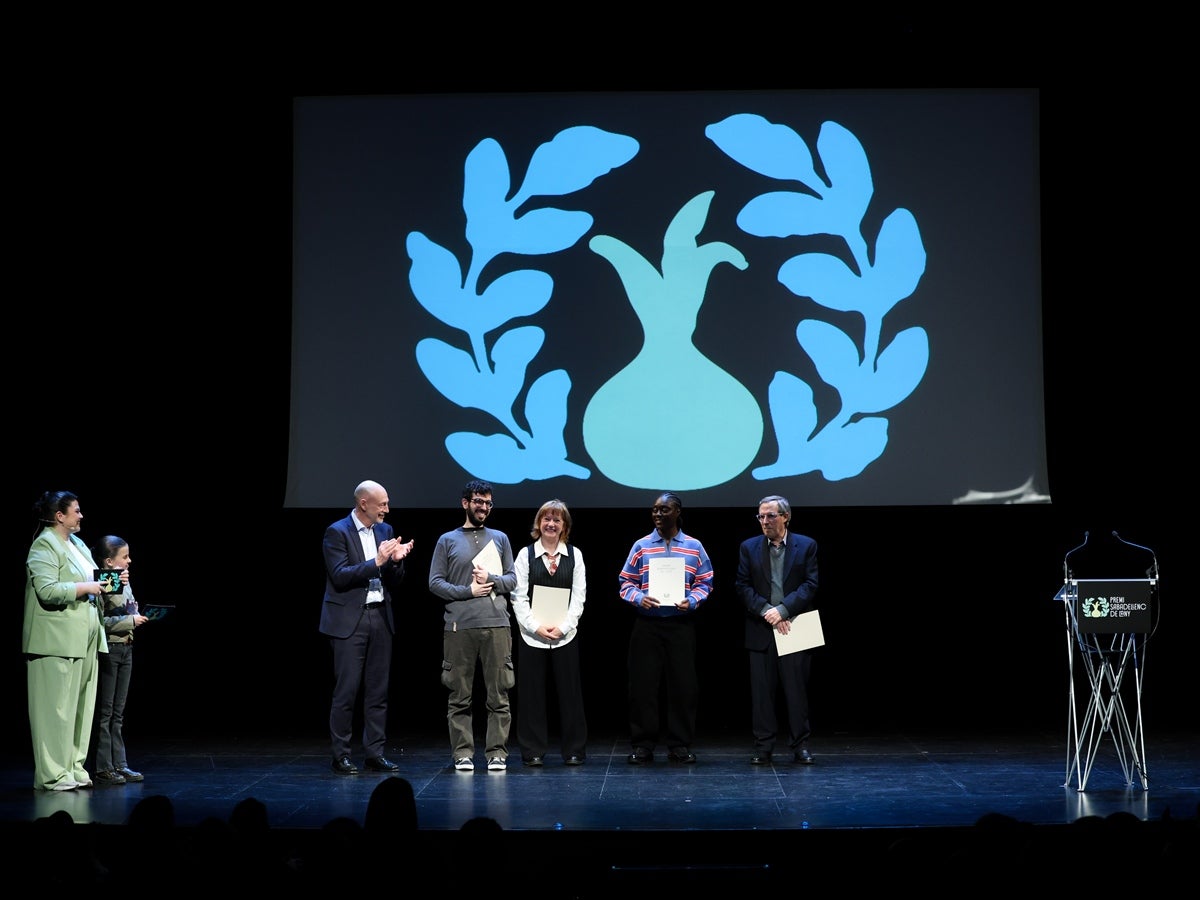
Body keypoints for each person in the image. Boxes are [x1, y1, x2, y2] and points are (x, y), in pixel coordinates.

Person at [319, 480, 414, 775]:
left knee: (378, 691)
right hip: (350, 620)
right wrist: (378, 561)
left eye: (386, 503)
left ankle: (374, 752)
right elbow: (340, 576)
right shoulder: (337, 532)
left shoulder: (385, 531)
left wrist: (396, 562)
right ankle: (341, 755)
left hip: (380, 617)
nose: (387, 509)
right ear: (364, 504)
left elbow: (394, 581)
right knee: (346, 691)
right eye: (382, 504)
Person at [23, 490, 110, 792]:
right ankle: (52, 774)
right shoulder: (43, 545)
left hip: (84, 636)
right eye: (76, 511)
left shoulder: (78, 544)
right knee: (54, 710)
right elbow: (47, 590)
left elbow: (91, 578)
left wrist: (110, 579)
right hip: (55, 640)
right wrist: (86, 586)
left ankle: (73, 766)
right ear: (59, 516)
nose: (81, 515)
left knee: (80, 707)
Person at [618, 491, 714, 765]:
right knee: (642, 687)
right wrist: (639, 597)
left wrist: (693, 600)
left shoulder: (694, 546)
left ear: (678, 513)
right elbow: (626, 582)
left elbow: (705, 581)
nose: (658, 514)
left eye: (664, 510)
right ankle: (643, 745)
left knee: (684, 687)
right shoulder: (642, 546)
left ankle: (679, 744)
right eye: (655, 510)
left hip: (680, 624)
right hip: (647, 624)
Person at [428, 479, 517, 772]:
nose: (484, 508)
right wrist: (468, 591)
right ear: (465, 503)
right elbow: (435, 583)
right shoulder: (447, 540)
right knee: (459, 694)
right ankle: (463, 752)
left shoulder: (500, 538)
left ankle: (497, 753)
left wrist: (490, 577)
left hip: (496, 625)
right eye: (479, 501)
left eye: (488, 503)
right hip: (459, 626)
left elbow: (513, 580)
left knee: (499, 693)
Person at [734, 494, 818, 765]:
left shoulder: (806, 545)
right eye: (761, 516)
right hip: (761, 625)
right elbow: (742, 586)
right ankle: (764, 747)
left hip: (797, 624)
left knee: (797, 691)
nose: (765, 521)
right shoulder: (748, 547)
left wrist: (782, 610)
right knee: (762, 693)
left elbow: (810, 585)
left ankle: (800, 746)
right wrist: (767, 612)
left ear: (786, 516)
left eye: (770, 515)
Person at [511, 499, 588, 767]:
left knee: (570, 694)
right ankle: (532, 750)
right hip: (532, 636)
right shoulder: (525, 555)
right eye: (546, 519)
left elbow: (579, 598)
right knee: (531, 695)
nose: (551, 524)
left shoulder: (575, 556)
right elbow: (518, 597)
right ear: (538, 524)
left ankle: (574, 750)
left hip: (565, 636)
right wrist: (536, 626)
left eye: (557, 520)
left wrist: (563, 627)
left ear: (564, 526)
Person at [92, 534, 150, 785]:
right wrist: (129, 621)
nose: (129, 561)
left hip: (126, 648)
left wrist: (136, 614)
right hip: (110, 650)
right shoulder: (100, 584)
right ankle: (104, 766)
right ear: (108, 562)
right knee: (106, 712)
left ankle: (120, 764)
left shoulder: (124, 582)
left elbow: (127, 609)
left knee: (119, 712)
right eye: (124, 557)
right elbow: (99, 622)